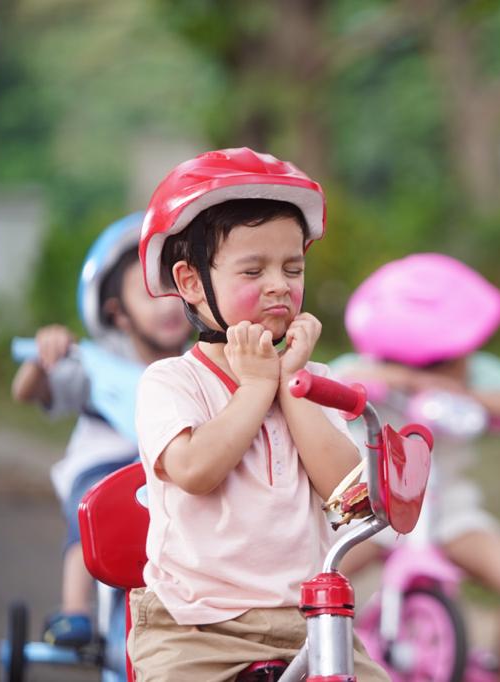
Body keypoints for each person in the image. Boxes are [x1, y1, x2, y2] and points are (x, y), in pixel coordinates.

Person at [131, 147, 388, 681]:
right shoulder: (172, 382)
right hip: (196, 629)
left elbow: (347, 489)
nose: (280, 284)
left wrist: (293, 386)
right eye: (254, 269)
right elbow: (196, 471)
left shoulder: (311, 378)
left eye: (292, 268)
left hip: (310, 620)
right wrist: (255, 387)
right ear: (192, 282)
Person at [332, 252, 500, 682]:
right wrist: (399, 380)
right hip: (372, 507)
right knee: (310, 582)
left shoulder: (475, 372)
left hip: (447, 512)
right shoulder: (368, 369)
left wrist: (459, 392)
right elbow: (334, 382)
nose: (460, 364)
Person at [11, 213, 190, 646]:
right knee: (90, 513)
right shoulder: (97, 368)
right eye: (150, 294)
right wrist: (42, 359)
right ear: (118, 313)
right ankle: (75, 609)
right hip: (107, 472)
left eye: (174, 290)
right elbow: (25, 393)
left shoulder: (196, 370)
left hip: (171, 473)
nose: (167, 305)